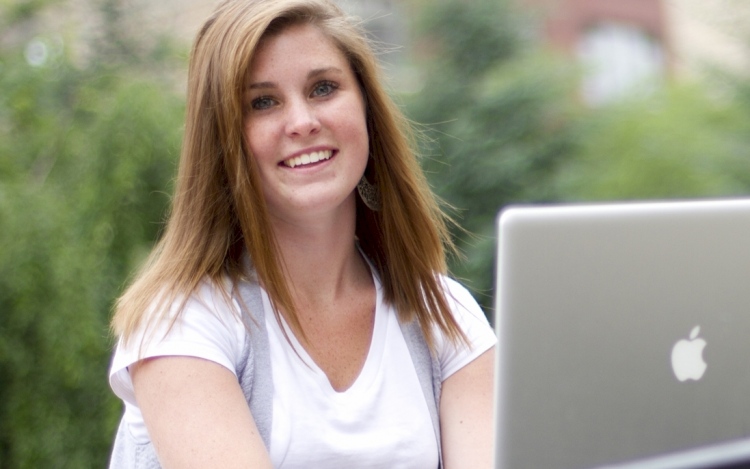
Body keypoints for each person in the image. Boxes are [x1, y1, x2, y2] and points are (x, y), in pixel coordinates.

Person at [107, 0, 497, 467]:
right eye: (263, 102)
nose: (303, 122)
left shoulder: (445, 314)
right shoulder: (183, 322)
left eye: (323, 88)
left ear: (367, 108)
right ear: (223, 139)